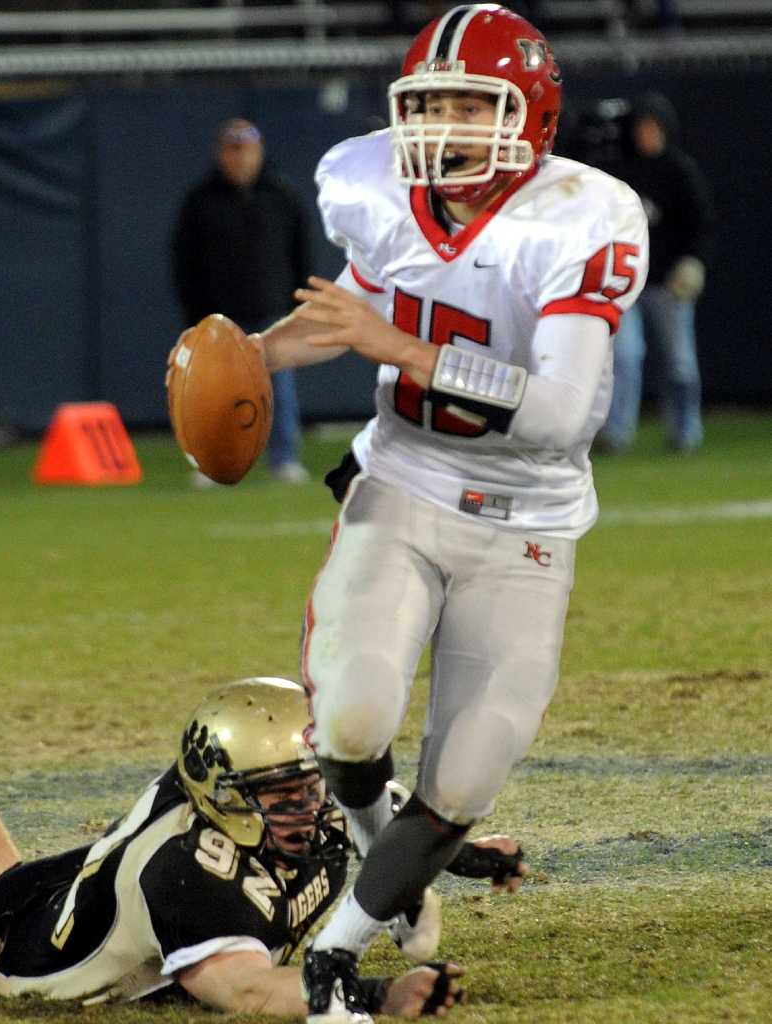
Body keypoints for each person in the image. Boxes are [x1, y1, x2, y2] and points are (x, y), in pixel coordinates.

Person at [233, 5, 648, 1021]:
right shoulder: (375, 185)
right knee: (350, 718)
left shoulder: (584, 214)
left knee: (465, 774)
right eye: (430, 104)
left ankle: (343, 941)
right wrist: (251, 353)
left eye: (472, 103)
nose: (445, 126)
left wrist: (399, 348)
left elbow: (556, 413)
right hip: (404, 483)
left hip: (526, 520)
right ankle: (393, 869)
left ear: (529, 115)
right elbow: (356, 305)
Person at [0, 658, 528, 1016]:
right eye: (283, 794)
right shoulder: (187, 872)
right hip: (37, 962)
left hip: (108, 882)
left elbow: (380, 805)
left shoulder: (282, 795)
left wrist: (465, 854)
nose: (309, 803)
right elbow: (240, 989)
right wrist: (379, 996)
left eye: (312, 781)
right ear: (223, 797)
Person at [173, 118, 311, 485]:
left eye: (246, 150)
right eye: (233, 150)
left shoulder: (281, 194)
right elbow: (184, 260)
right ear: (222, 154)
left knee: (278, 390)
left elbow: (300, 253)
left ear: (259, 152)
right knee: (212, 394)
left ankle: (283, 459)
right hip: (218, 315)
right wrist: (194, 313)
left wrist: (300, 304)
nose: (240, 159)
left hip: (271, 309)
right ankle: (212, 462)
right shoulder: (201, 199)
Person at [597, 91, 713, 454]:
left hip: (669, 284)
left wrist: (694, 262)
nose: (647, 134)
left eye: (653, 127)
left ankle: (685, 432)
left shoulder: (679, 170)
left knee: (680, 364)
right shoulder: (620, 172)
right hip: (628, 284)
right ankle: (616, 433)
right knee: (626, 358)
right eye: (642, 127)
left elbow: (701, 224)